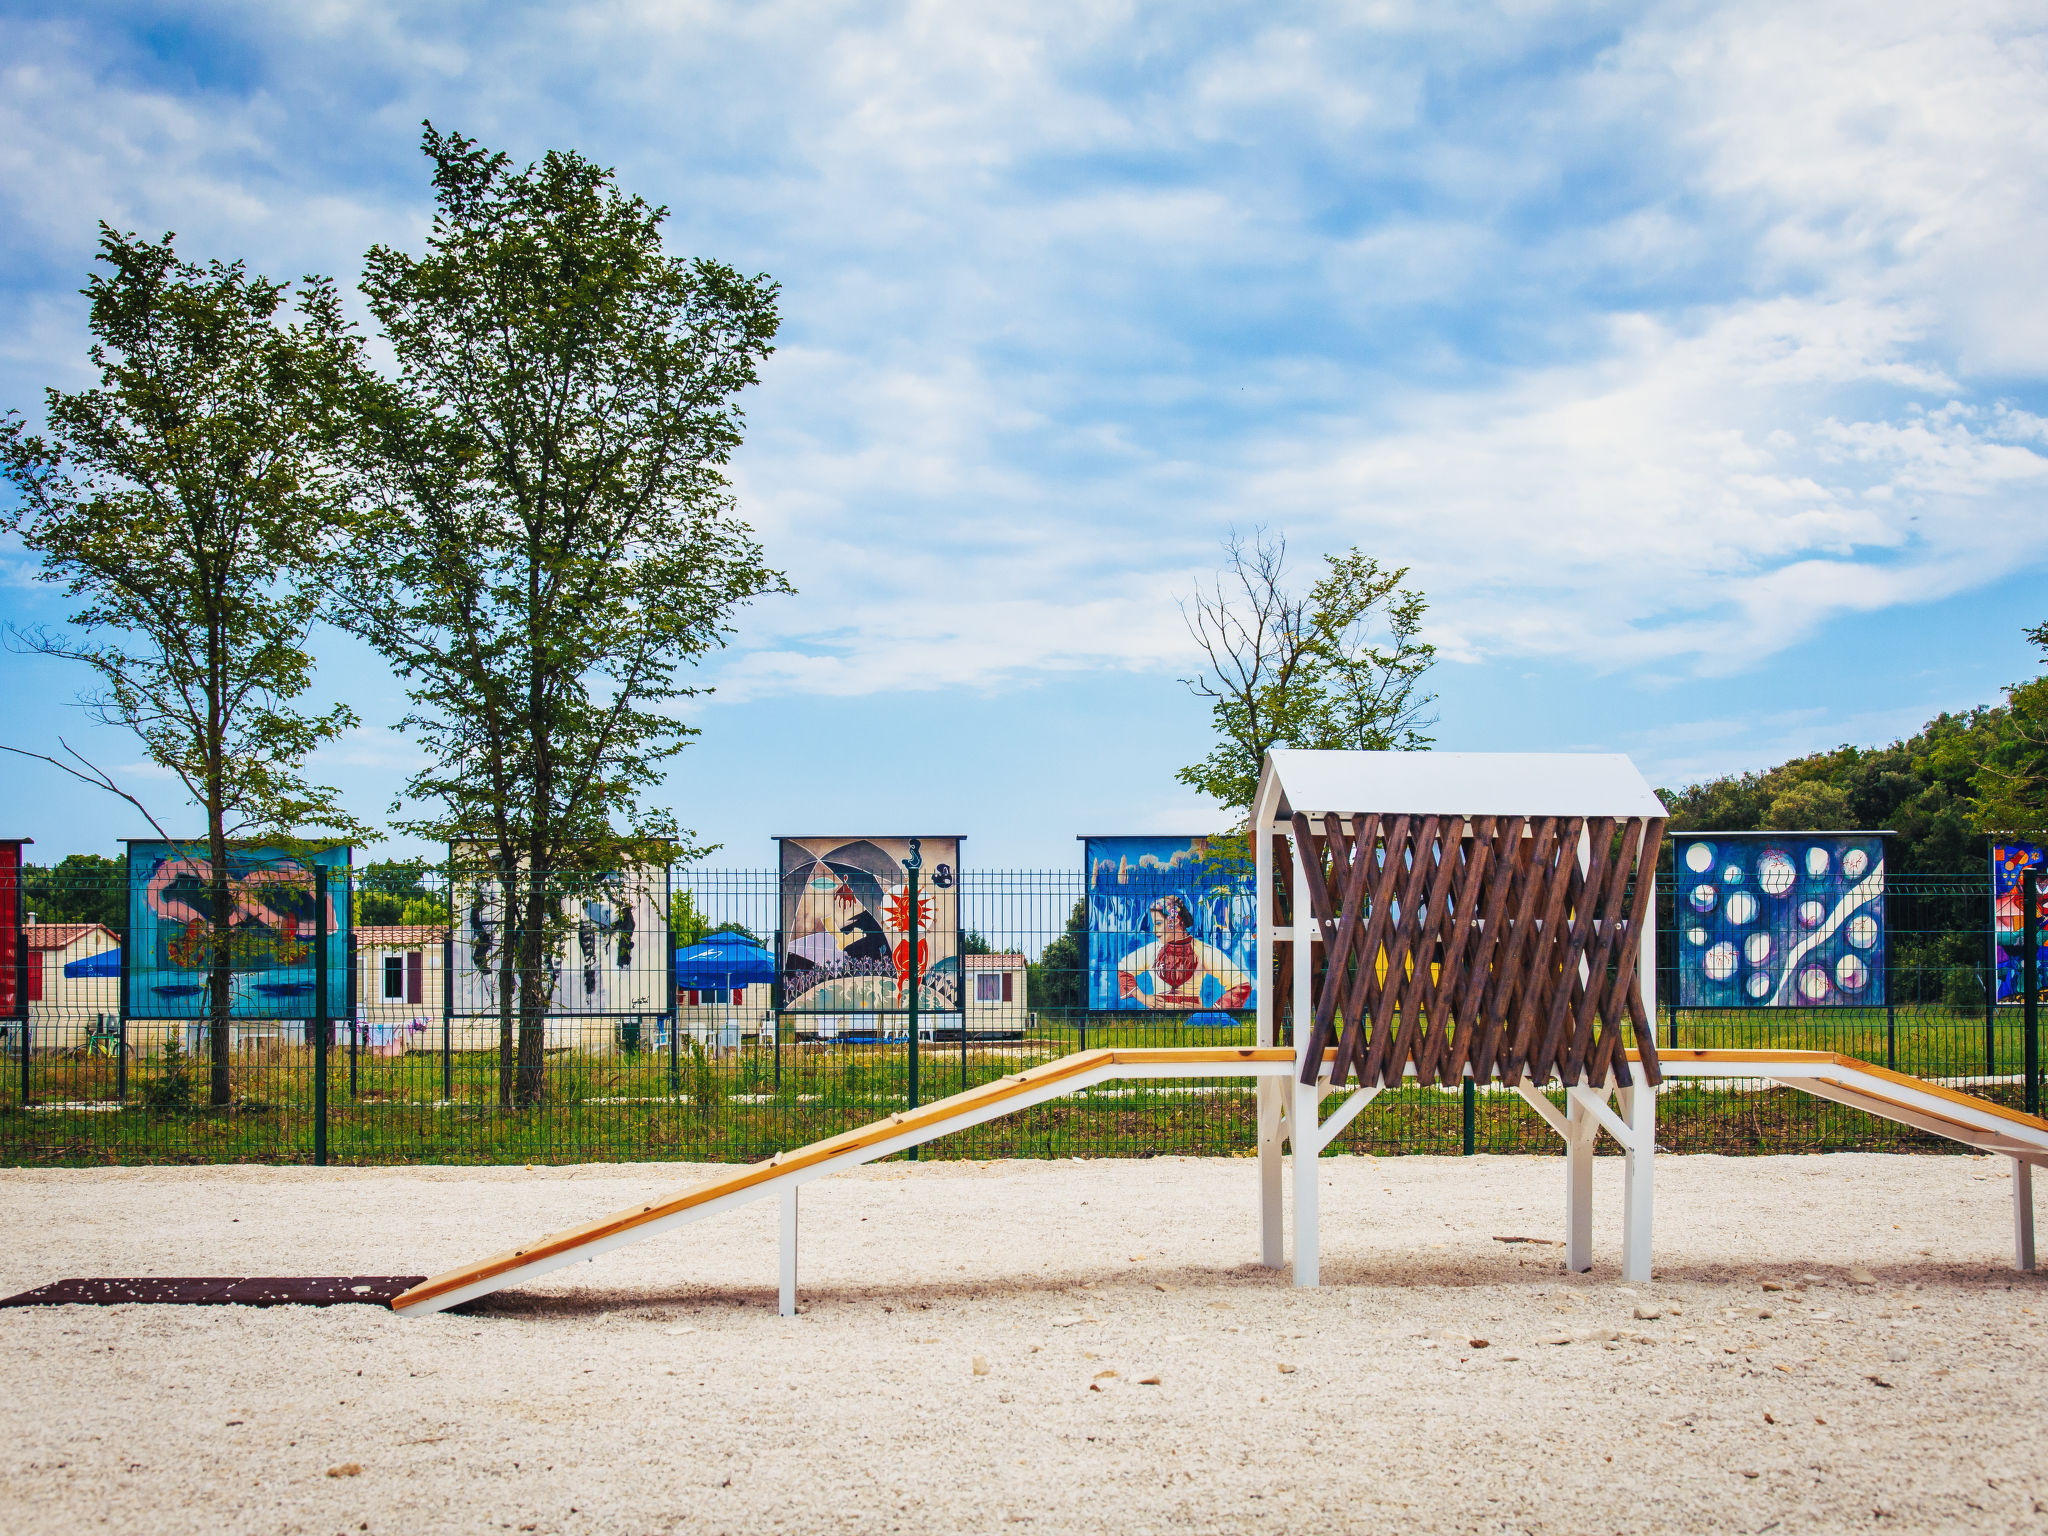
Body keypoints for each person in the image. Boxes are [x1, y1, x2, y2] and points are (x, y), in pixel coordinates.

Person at [1116, 894, 1250, 1010]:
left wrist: (1209, 1010)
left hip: (1193, 1020)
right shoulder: (1152, 950)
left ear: (1174, 921)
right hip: (1158, 1020)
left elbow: (1241, 984)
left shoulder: (1203, 951)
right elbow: (1123, 968)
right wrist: (1143, 998)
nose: (1153, 931)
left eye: (1157, 923)